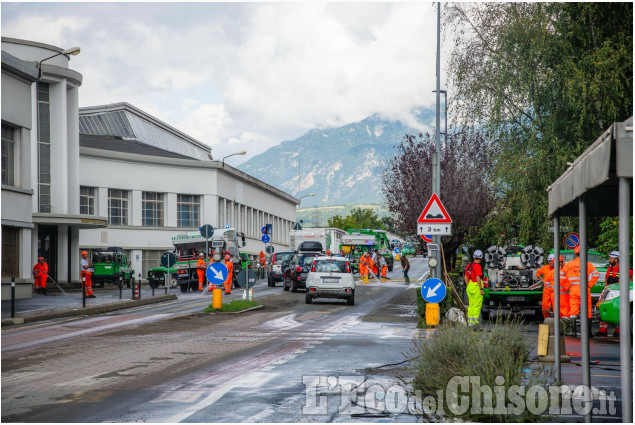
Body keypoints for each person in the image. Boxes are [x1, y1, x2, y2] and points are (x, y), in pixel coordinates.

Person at [563, 246, 599, 336]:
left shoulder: (568, 265)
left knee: (573, 310)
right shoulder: (587, 264)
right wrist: (589, 284)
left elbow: (561, 276)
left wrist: (567, 285)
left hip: (573, 289)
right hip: (584, 289)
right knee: (587, 310)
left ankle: (574, 332)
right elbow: (596, 274)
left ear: (575, 254)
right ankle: (588, 332)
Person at [596, 251, 632, 337]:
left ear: (616, 259)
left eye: (611, 258)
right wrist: (605, 288)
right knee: (602, 309)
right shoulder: (610, 269)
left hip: (617, 292)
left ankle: (618, 330)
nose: (609, 260)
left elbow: (632, 275)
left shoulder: (623, 269)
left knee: (616, 309)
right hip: (608, 291)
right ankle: (602, 330)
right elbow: (606, 278)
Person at [464, 250, 485, 326]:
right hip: (476, 287)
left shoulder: (469, 266)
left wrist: (468, 285)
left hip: (470, 286)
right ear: (481, 258)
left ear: (473, 257)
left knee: (471, 305)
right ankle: (475, 324)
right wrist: (481, 288)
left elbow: (466, 276)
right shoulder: (477, 266)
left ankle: (470, 323)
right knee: (476, 306)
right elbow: (477, 278)